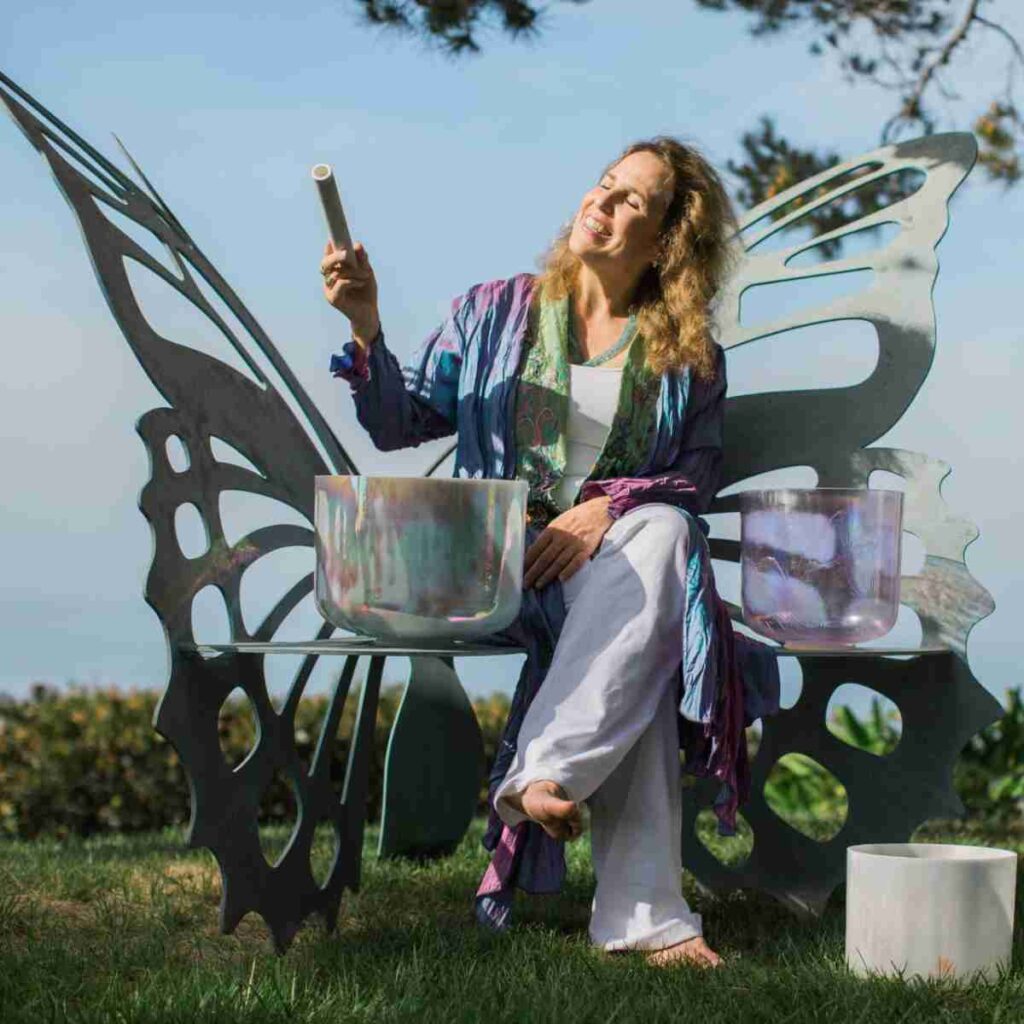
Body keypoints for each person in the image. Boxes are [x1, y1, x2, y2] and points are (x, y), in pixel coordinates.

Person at [321, 137, 779, 969]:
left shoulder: (689, 358)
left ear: (669, 239)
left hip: (614, 572)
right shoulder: (496, 311)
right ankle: (644, 916)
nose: (599, 205)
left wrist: (609, 504)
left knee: (660, 547)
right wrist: (365, 325)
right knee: (645, 632)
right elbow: (399, 424)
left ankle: (546, 778)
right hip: (495, 571)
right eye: (602, 187)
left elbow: (694, 479)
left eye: (629, 200)